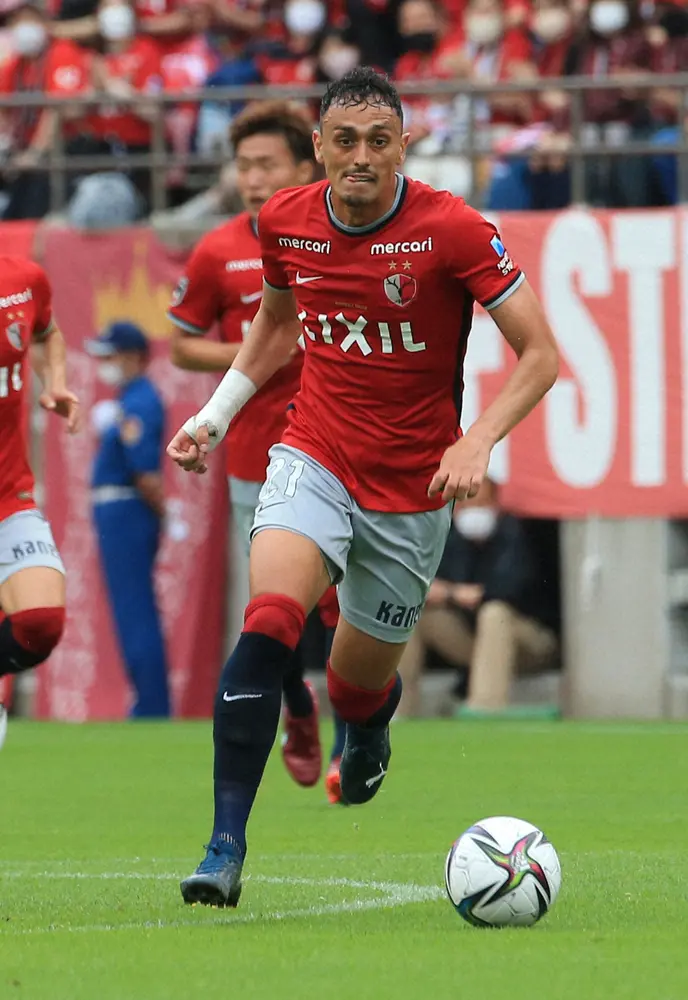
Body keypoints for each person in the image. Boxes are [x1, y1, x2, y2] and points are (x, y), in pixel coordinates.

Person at [167, 66, 559, 908]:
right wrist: (217, 414)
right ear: (318, 147)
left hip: (412, 490)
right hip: (313, 452)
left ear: (403, 146)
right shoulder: (286, 221)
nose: (360, 157)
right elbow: (276, 324)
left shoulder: (453, 230)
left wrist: (477, 440)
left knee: (353, 683)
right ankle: (223, 846)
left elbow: (541, 354)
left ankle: (369, 723)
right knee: (270, 620)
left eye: (379, 141)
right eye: (344, 141)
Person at [167, 100, 347, 802]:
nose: (252, 179)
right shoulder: (217, 251)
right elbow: (182, 343)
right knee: (273, 609)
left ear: (306, 167)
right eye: (243, 166)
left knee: (342, 606)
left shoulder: (343, 240)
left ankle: (349, 735)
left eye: (266, 164)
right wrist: (258, 354)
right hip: (254, 454)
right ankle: (298, 705)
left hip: (338, 447)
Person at [396, 476, 559, 717]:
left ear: (495, 504)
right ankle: (396, 711)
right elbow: (420, 586)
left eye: (481, 504)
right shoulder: (448, 538)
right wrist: (451, 593)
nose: (474, 511)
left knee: (494, 614)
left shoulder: (516, 534)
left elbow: (506, 590)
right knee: (414, 615)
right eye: (467, 505)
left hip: (530, 643)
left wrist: (456, 593)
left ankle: (484, 709)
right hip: (475, 644)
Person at [0, 256, 80, 748]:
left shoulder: (24, 279)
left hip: (9, 496)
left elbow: (47, 334)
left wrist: (55, 381)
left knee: (41, 623)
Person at [85, 321, 170, 718]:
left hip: (126, 510)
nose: (105, 363)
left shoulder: (141, 400)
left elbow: (145, 473)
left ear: (134, 356)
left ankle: (151, 706)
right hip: (119, 510)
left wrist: (164, 513)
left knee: (135, 609)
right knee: (130, 610)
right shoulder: (128, 399)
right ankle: (147, 701)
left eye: (111, 355)